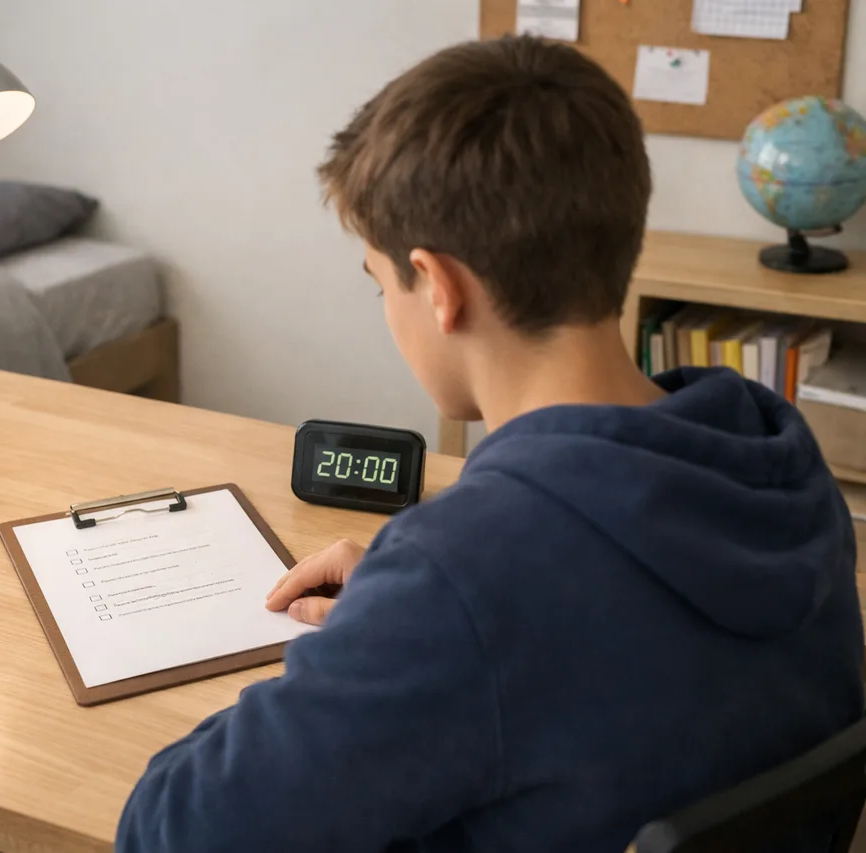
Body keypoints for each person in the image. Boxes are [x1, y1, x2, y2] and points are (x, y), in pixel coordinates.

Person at [115, 35, 864, 853]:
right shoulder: (776, 459)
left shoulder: (466, 575)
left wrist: (397, 627)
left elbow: (172, 832)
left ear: (438, 288)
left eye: (380, 282)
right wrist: (406, 619)